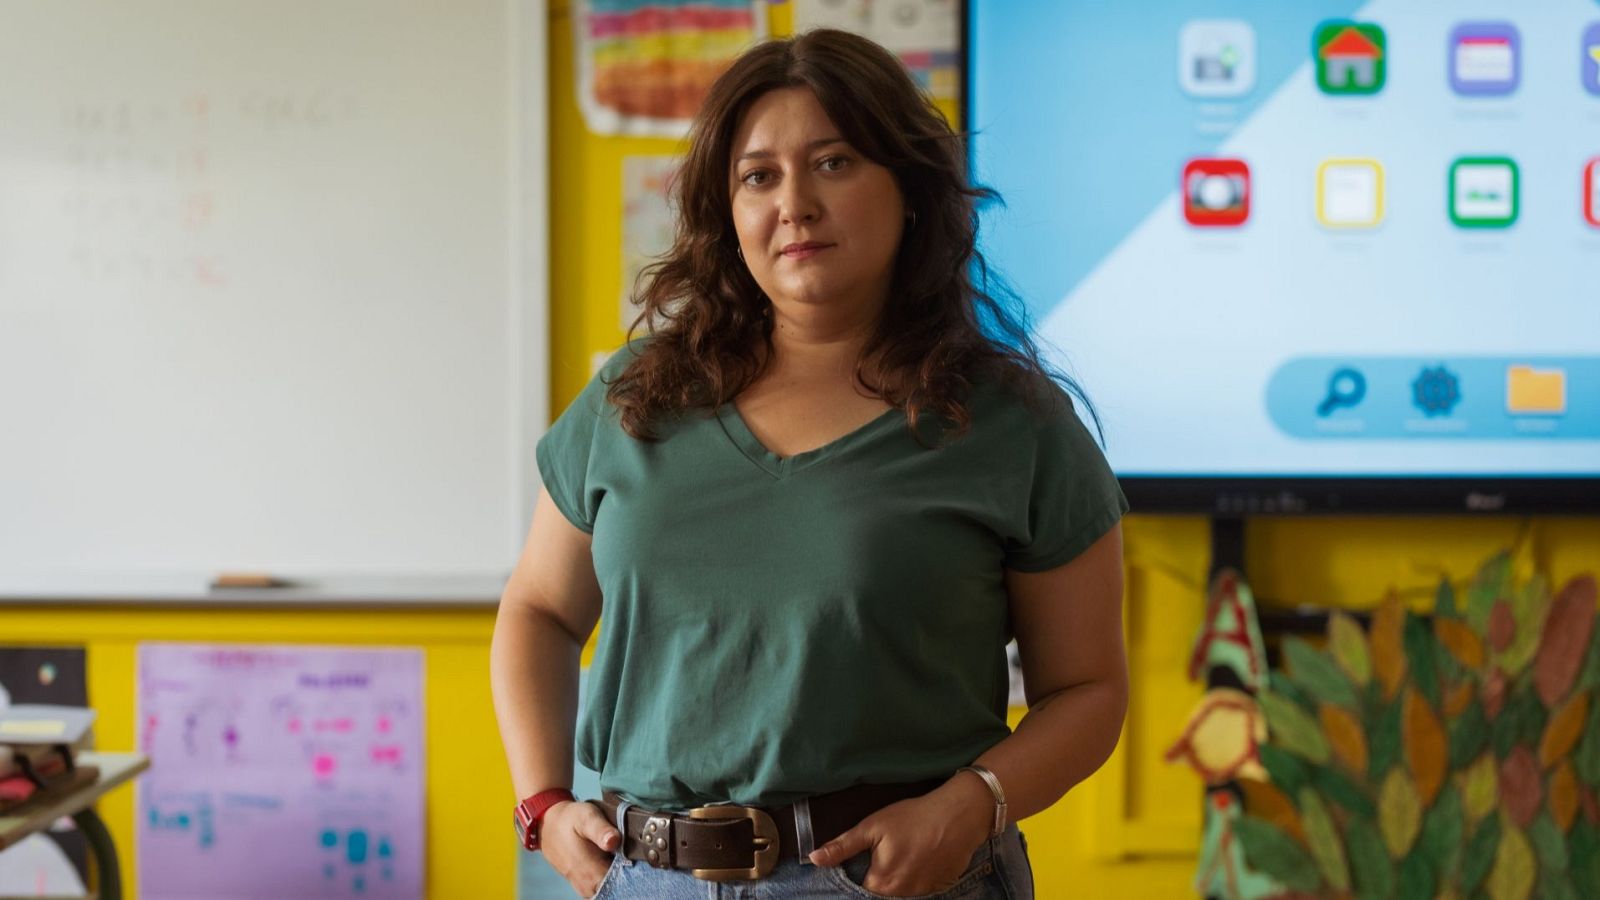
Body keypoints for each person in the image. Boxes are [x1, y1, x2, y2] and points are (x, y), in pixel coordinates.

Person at [491, 27, 1129, 900]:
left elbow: (1087, 691)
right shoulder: (634, 400)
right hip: (646, 878)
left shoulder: (1012, 423)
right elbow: (537, 609)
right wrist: (543, 804)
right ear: (729, 212)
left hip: (898, 878)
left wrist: (975, 803)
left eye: (833, 163)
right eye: (758, 175)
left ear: (908, 191)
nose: (794, 202)